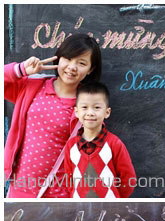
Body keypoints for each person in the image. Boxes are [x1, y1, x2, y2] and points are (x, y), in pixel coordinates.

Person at [5, 33, 102, 197]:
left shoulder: (88, 106)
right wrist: (21, 70)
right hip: (20, 188)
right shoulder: (31, 86)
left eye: (81, 63)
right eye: (68, 59)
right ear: (59, 58)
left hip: (60, 194)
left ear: (90, 70)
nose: (72, 67)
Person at [62, 81, 135, 198]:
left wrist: (115, 199)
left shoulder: (114, 144)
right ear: (76, 112)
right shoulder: (71, 146)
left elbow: (128, 179)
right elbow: (69, 178)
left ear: (107, 112)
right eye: (84, 107)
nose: (90, 113)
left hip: (110, 208)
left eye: (96, 107)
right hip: (79, 207)